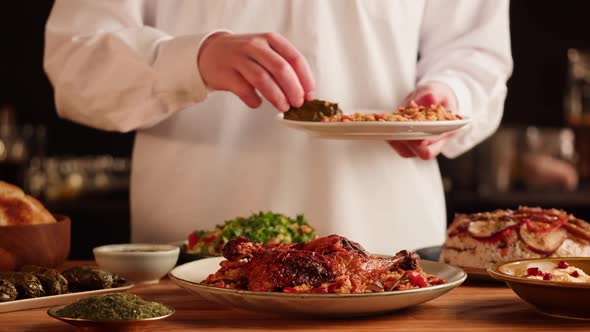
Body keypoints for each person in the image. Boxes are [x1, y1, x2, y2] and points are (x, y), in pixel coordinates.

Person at [44, 0, 512, 254]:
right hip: (195, 256)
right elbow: (74, 60)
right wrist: (193, 59)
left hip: (395, 253)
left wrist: (449, 97)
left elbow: (476, 52)